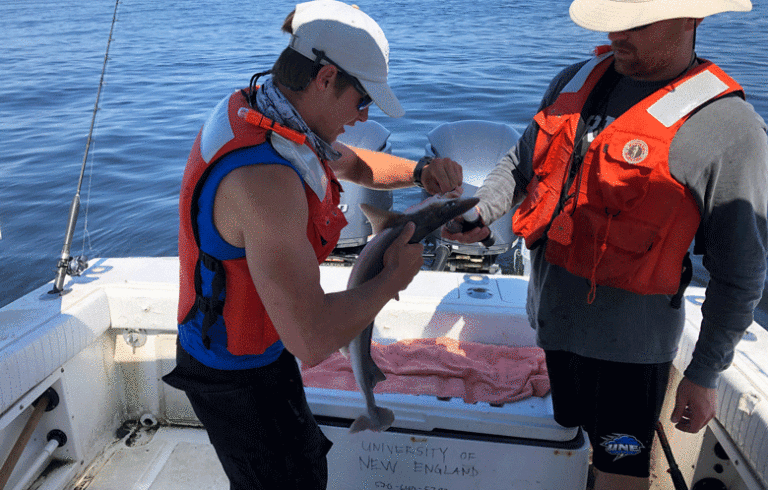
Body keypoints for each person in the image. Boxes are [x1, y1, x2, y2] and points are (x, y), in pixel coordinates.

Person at [443, 0, 768, 488]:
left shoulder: (730, 128)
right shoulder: (577, 80)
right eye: (610, 20)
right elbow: (520, 162)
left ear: (691, 19)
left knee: (621, 471)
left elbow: (740, 273)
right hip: (554, 326)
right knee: (569, 444)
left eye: (635, 22)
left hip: (630, 357)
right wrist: (484, 211)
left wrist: (703, 375)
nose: (617, 34)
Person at [162, 2, 463, 489]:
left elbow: (350, 162)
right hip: (235, 374)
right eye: (362, 99)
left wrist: (418, 173)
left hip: (266, 339)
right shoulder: (264, 184)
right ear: (325, 78)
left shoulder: (268, 110)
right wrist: (395, 278)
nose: (363, 115)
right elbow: (313, 342)